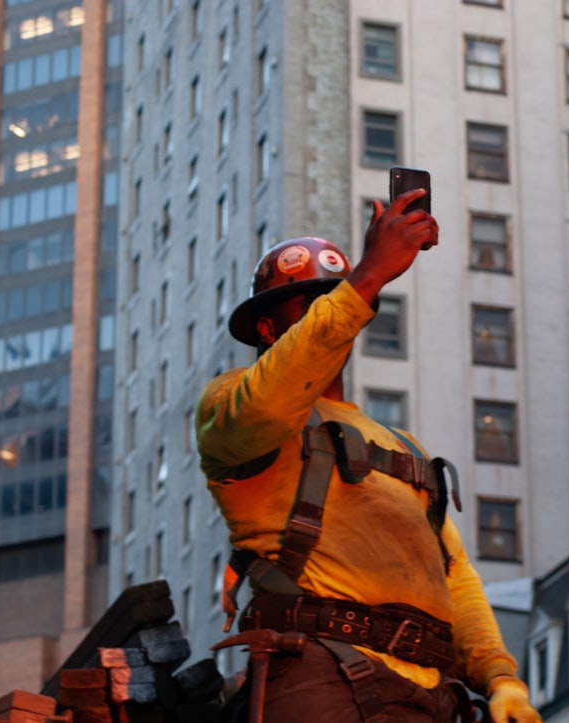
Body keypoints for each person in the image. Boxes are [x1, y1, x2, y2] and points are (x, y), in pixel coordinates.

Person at [197, 189, 541, 723]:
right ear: (267, 328)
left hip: (432, 693)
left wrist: (501, 679)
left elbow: (454, 576)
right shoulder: (232, 402)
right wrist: (367, 278)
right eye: (311, 303)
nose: (333, 312)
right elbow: (269, 406)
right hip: (321, 673)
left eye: (336, 298)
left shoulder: (403, 446)